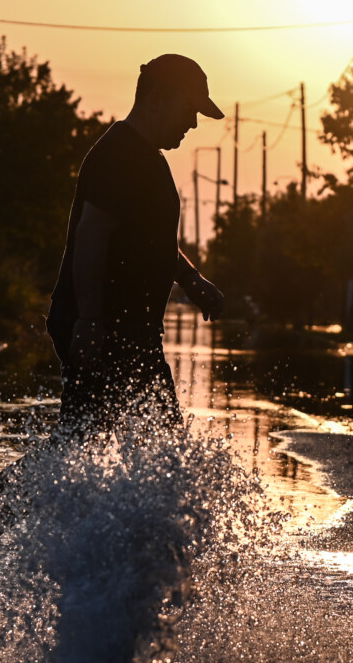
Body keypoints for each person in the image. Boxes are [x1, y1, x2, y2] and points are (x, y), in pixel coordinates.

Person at [46, 53, 226, 432]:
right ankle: (34, 493)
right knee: (158, 450)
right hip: (110, 331)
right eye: (189, 110)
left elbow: (151, 241)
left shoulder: (141, 157)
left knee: (92, 448)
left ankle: (49, 492)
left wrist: (191, 279)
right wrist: (91, 320)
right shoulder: (121, 155)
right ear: (156, 99)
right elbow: (91, 235)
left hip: (125, 331)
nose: (193, 124)